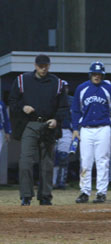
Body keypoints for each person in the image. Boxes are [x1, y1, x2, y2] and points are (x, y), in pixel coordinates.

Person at [9, 54, 69, 206]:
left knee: (47, 163)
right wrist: (23, 107)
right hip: (30, 124)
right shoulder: (22, 80)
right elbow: (12, 101)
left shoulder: (58, 83)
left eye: (46, 65)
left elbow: (63, 107)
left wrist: (57, 119)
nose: (43, 68)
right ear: (35, 65)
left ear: (49, 65)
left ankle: (45, 196)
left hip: (48, 124)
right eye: (40, 65)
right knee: (25, 161)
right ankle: (26, 196)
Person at [72, 61, 111, 204]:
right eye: (94, 74)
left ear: (103, 75)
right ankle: (85, 191)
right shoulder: (82, 88)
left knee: (102, 161)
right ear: (90, 74)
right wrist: (75, 128)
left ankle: (101, 192)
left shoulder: (108, 88)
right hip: (86, 129)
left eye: (99, 74)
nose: (97, 76)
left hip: (104, 128)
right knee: (85, 161)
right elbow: (75, 110)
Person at [53, 80, 74, 189]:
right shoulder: (52, 100)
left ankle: (61, 182)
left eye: (66, 87)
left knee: (63, 157)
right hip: (53, 130)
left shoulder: (72, 100)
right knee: (52, 157)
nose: (64, 89)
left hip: (66, 130)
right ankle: (51, 182)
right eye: (62, 87)